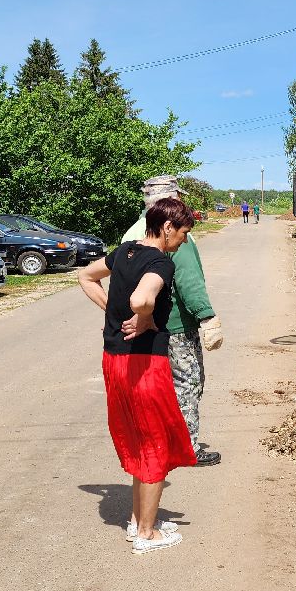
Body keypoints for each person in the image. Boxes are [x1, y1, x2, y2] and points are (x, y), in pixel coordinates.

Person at [79, 195, 198, 554]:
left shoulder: (124, 251)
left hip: (114, 361)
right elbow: (142, 298)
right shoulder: (161, 263)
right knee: (156, 442)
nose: (183, 242)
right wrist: (143, 315)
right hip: (144, 365)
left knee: (139, 440)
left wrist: (112, 314)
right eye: (183, 234)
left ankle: (137, 520)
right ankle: (146, 534)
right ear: (167, 227)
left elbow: (85, 276)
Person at [125, 176, 223, 468]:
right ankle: (185, 447)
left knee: (156, 386)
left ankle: (158, 441)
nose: (181, 202)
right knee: (188, 383)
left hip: (144, 324)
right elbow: (188, 280)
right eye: (177, 197)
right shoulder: (176, 235)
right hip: (176, 325)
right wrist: (206, 315)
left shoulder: (133, 232)